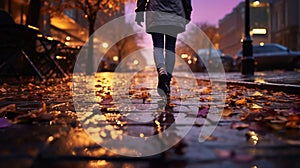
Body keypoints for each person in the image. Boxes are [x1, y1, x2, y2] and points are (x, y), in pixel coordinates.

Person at [135, 0, 192, 97]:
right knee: (170, 48)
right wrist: (187, 12)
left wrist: (140, 12)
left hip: (155, 12)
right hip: (175, 12)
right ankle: (167, 81)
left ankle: (162, 72)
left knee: (158, 47)